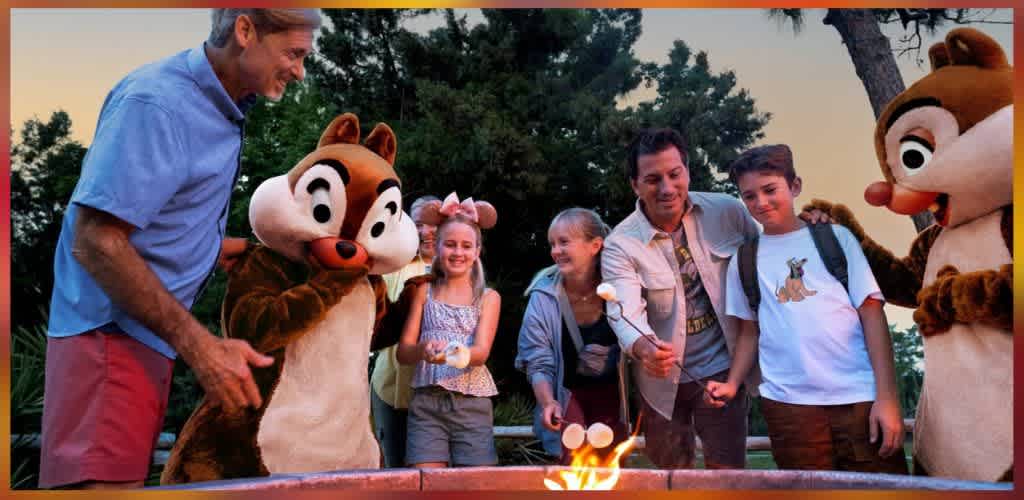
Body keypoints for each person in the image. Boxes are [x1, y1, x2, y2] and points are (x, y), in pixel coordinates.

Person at [40, 9, 321, 489]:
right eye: (293, 53)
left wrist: (210, 248)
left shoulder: (219, 106)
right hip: (109, 344)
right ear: (245, 30)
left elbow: (145, 221)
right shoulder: (159, 103)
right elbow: (95, 239)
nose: (299, 70)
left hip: (138, 343)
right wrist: (201, 347)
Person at [714, 144, 906, 473]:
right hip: (788, 407)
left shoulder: (837, 238)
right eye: (749, 196)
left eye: (770, 189)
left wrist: (887, 398)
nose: (760, 202)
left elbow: (872, 315)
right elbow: (749, 333)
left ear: (795, 186)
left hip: (858, 398)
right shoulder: (744, 260)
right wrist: (732, 383)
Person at [600, 127, 760, 470]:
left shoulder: (729, 211)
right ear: (635, 185)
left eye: (675, 174)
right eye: (653, 179)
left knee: (728, 479)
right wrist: (645, 347)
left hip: (723, 371)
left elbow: (772, 251)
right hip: (661, 384)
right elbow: (623, 310)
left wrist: (808, 224)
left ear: (687, 170)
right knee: (671, 481)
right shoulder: (619, 244)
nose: (667, 188)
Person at [395, 194, 501, 468]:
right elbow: (403, 352)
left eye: (467, 246)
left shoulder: (488, 298)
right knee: (426, 483)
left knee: (475, 486)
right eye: (450, 245)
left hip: (471, 404)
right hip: (426, 403)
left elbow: (481, 353)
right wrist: (423, 350)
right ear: (438, 246)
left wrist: (453, 354)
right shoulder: (422, 290)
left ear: (477, 251)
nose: (458, 252)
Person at [516, 208, 629, 464]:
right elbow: (537, 360)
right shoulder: (542, 296)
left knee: (612, 469)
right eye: (552, 244)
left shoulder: (623, 287)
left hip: (613, 396)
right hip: (567, 395)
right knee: (571, 465)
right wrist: (547, 403)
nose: (555, 251)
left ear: (595, 246)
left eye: (564, 242)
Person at [371, 194, 441, 468]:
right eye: (419, 223)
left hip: (439, 392)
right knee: (394, 470)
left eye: (434, 223)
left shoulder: (459, 267)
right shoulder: (391, 265)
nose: (427, 232)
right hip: (388, 387)